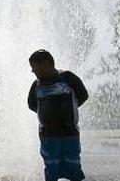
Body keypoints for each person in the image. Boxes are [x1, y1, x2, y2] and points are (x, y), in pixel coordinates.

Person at [27, 49, 89, 181]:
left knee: (74, 166)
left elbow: (83, 95)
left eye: (34, 67)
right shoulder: (36, 85)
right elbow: (32, 104)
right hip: (48, 136)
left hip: (70, 134)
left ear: (45, 64)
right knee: (51, 169)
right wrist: (48, 114)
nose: (33, 71)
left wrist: (68, 110)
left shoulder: (68, 78)